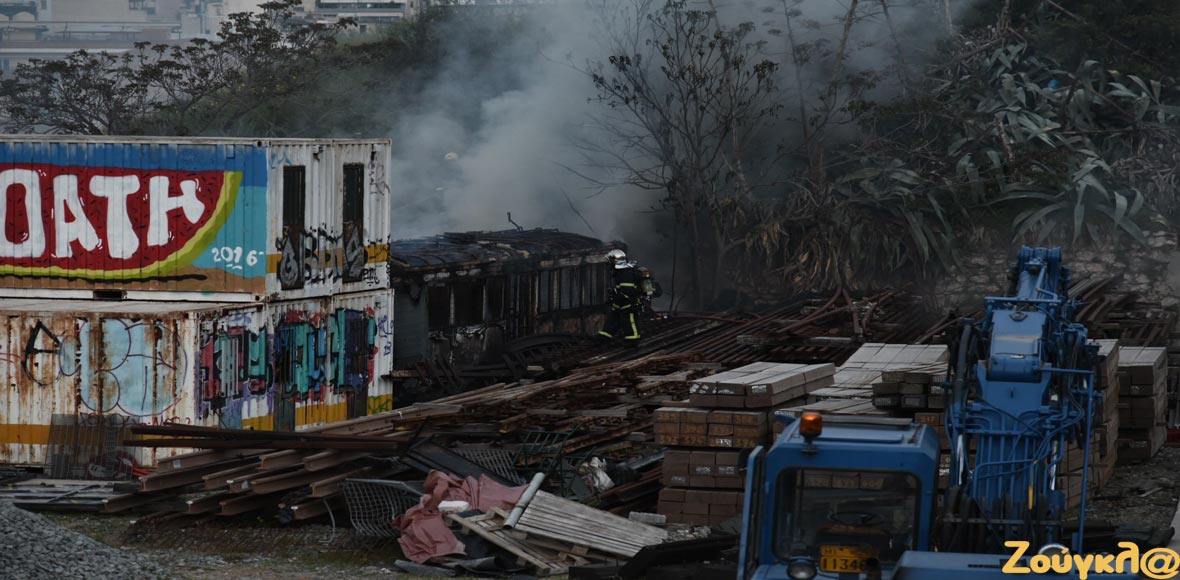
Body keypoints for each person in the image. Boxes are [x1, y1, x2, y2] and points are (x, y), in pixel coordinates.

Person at [598, 249, 650, 345]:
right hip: (620, 303)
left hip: (629, 304)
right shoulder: (621, 270)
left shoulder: (625, 272)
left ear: (615, 260)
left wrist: (618, 296)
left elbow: (628, 290)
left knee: (629, 322)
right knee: (612, 320)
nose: (609, 263)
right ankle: (603, 338)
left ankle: (632, 341)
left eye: (610, 260)